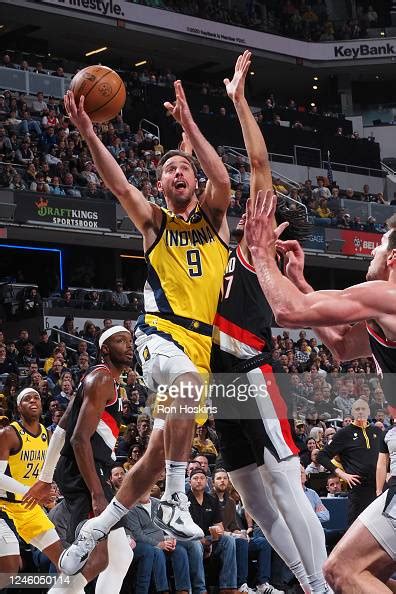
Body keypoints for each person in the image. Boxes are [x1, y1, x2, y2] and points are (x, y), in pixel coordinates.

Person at [57, 68, 229, 570]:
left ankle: (95, 528)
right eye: (169, 170)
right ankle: (175, 497)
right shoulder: (154, 223)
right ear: (159, 183)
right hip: (158, 334)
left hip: (200, 347)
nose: (178, 174)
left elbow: (222, 178)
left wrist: (191, 129)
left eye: (185, 169)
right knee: (181, 380)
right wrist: (89, 131)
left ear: (194, 180)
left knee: (154, 455)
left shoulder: (216, 221)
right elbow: (115, 183)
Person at [210, 51, 328, 594]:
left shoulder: (262, 256)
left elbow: (258, 166)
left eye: (264, 214)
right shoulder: (235, 253)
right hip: (218, 383)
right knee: (252, 498)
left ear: (275, 231)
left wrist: (239, 101)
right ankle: (305, 581)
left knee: (282, 484)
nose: (251, 218)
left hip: (251, 370)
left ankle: (324, 585)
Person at [243, 190, 396, 592]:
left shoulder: (387, 298)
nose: (372, 253)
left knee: (343, 571)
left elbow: (287, 313)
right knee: (360, 573)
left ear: (394, 259)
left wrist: (260, 252)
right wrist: (298, 280)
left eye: (379, 246)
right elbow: (343, 345)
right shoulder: (384, 313)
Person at [23, 328, 135, 592]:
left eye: (130, 341)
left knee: (119, 557)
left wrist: (45, 478)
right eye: (121, 341)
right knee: (96, 559)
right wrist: (97, 492)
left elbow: (62, 428)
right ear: (105, 349)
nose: (129, 346)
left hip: (84, 469)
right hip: (84, 471)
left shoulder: (96, 378)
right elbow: (78, 439)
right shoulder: (101, 379)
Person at [0, 388, 95, 592]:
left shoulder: (46, 433)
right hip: (3, 508)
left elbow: (46, 472)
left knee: (66, 565)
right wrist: (33, 490)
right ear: (18, 407)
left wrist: (48, 491)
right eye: (27, 399)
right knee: (9, 571)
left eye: (36, 397)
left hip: (29, 508)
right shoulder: (8, 434)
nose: (33, 401)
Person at [317, 399, 379, 525]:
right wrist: (342, 474)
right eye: (357, 409)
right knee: (355, 529)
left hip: (379, 488)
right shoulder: (344, 433)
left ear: (368, 411)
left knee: (381, 528)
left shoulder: (377, 431)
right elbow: (321, 456)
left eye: (363, 409)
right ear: (352, 412)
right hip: (358, 489)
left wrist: (388, 472)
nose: (360, 412)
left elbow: (386, 456)